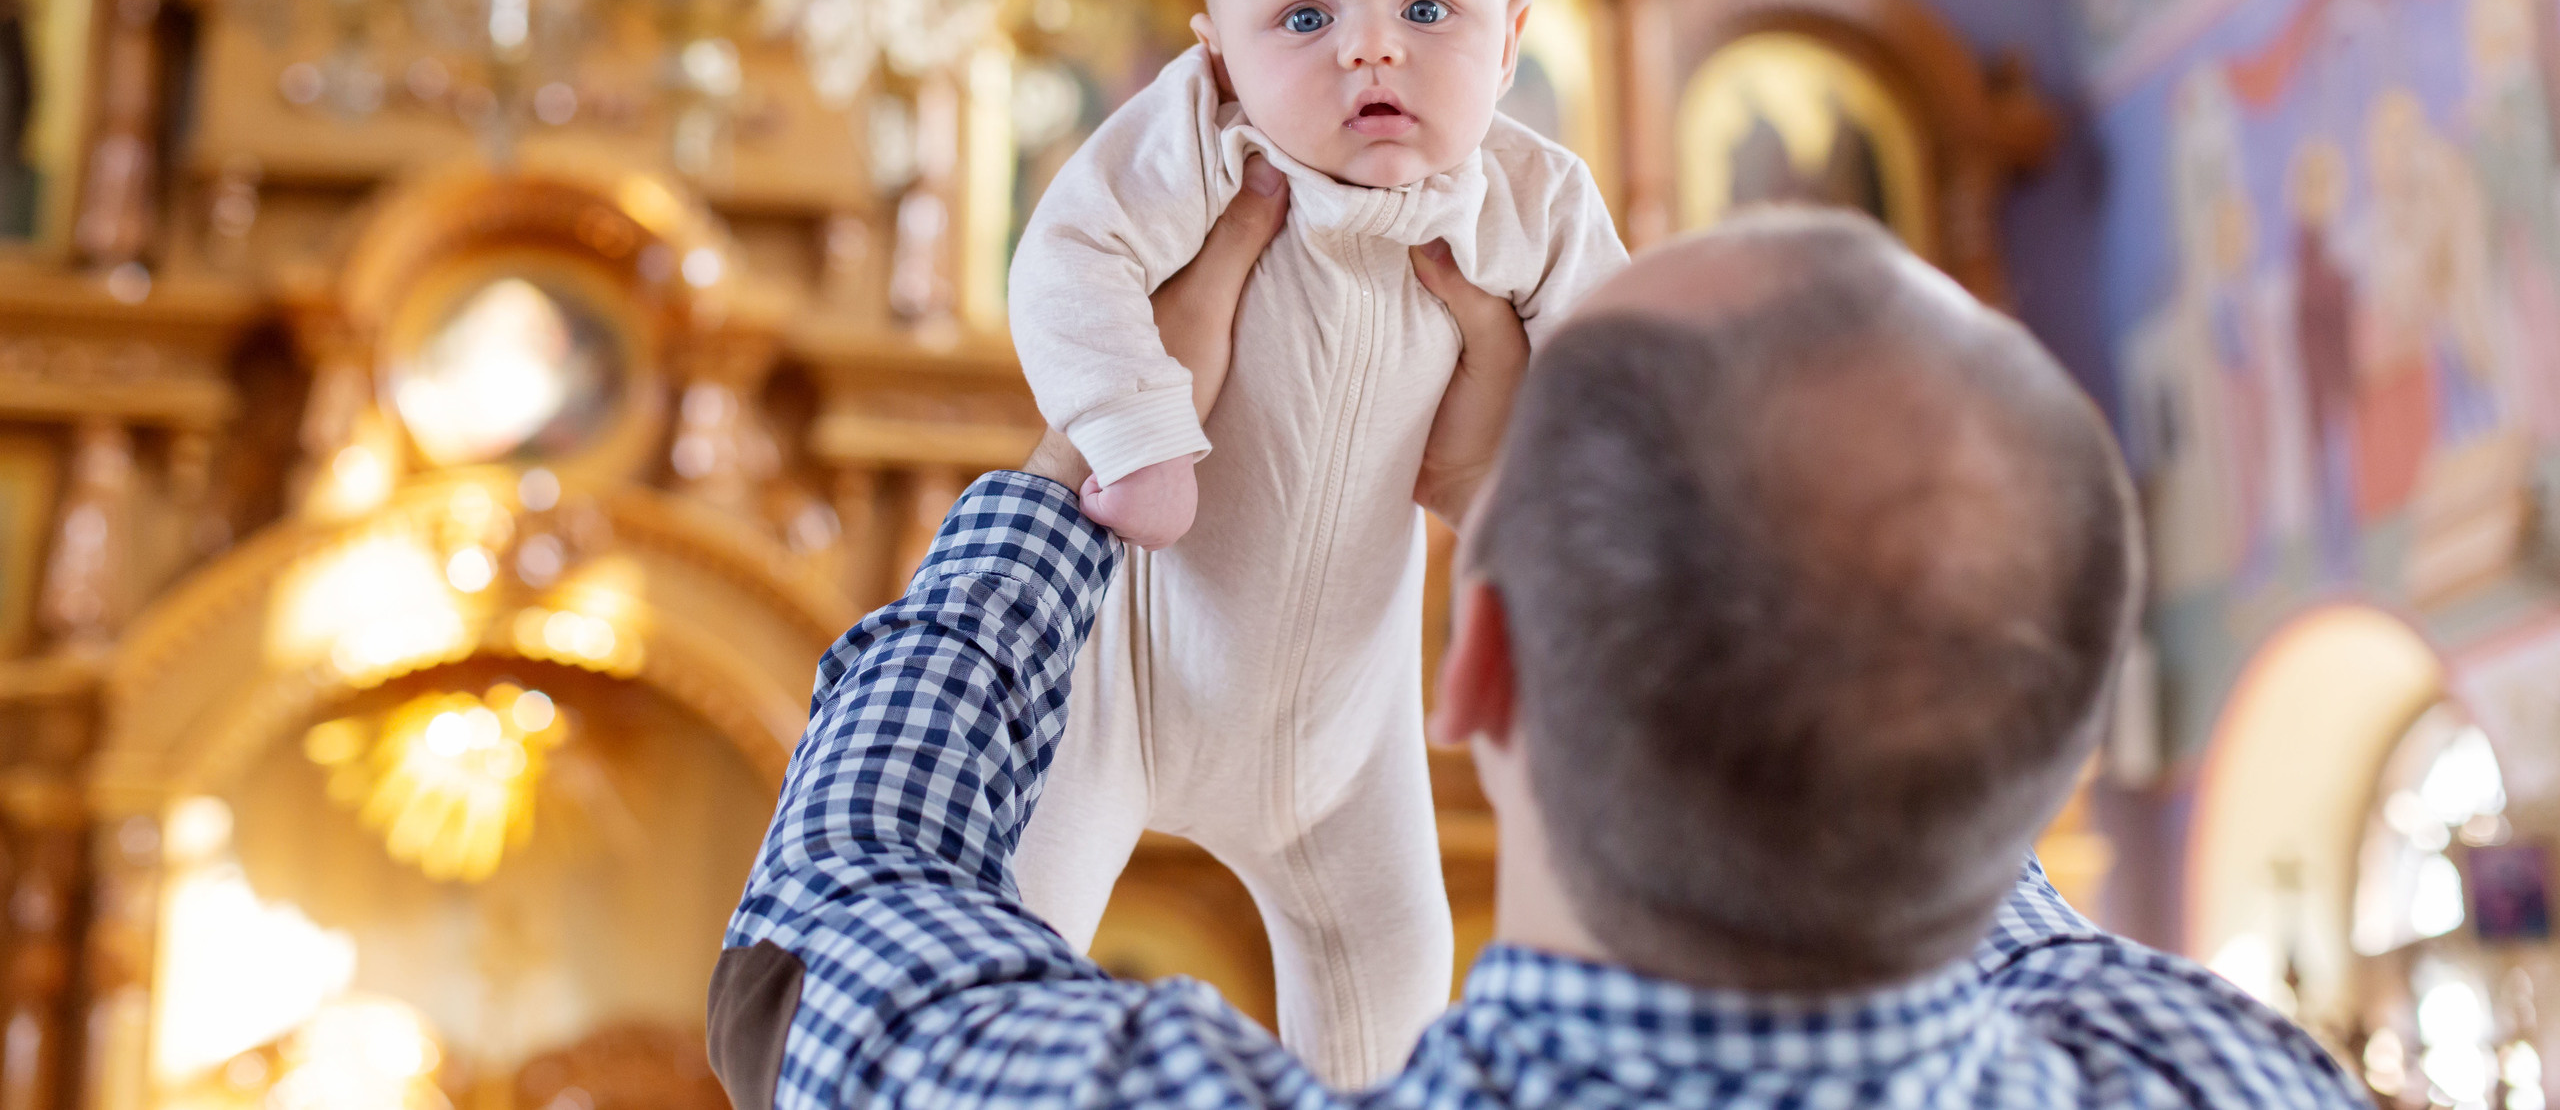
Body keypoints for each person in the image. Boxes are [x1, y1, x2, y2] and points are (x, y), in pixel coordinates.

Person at [714, 198, 2365, 1108]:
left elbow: (851, 914)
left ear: (1475, 661)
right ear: (2054, 729)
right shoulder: (2217, 1074)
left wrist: (1107, 450)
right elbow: (1931, 746)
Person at [1002, 0, 1626, 1083]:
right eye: (1302, 20)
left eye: (1429, 11)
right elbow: (1065, 261)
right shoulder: (1201, 147)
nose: (1370, 47)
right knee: (1009, 937)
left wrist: (1589, 516)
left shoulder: (1530, 201)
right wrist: (1135, 431)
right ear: (1218, 59)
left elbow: (1623, 372)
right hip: (1130, 681)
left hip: (1352, 730)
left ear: (1509, 44)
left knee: (1395, 976)